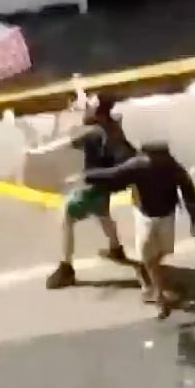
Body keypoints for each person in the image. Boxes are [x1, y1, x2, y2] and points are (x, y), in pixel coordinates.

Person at [80, 141, 195, 318]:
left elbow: (191, 195)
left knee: (163, 252)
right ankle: (159, 296)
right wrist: (88, 176)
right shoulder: (143, 165)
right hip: (145, 218)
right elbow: (114, 174)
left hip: (166, 217)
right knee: (149, 256)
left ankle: (150, 274)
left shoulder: (172, 168)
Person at [34, 94, 136, 290]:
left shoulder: (94, 134)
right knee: (103, 214)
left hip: (92, 188)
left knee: (66, 217)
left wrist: (38, 151)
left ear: (98, 114)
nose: (85, 110)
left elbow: (63, 145)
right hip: (105, 185)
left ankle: (66, 268)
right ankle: (116, 248)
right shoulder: (113, 127)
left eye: (89, 107)